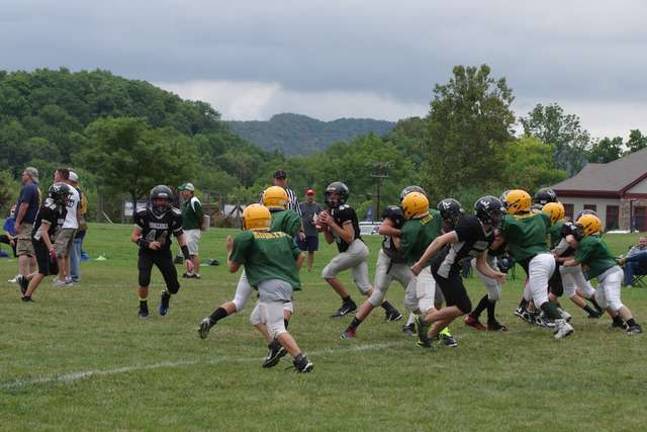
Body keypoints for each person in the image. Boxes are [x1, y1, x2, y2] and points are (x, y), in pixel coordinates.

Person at [197, 186, 302, 368]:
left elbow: (234, 265)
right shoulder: (288, 217)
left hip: (253, 265)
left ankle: (212, 319)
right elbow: (293, 245)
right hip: (276, 268)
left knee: (239, 302)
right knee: (285, 304)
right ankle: (282, 340)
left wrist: (230, 251)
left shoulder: (256, 217)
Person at [226, 204, 313, 372]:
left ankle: (301, 360)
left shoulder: (246, 237)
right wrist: (289, 273)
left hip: (271, 286)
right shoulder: (281, 236)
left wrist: (229, 251)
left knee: (277, 328)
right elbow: (300, 256)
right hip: (285, 283)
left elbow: (232, 268)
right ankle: (276, 348)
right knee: (256, 318)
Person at [411, 196, 507, 348]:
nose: (498, 217)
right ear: (485, 214)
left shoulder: (489, 235)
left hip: (453, 269)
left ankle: (427, 338)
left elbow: (481, 262)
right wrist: (421, 263)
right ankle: (424, 321)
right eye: (495, 214)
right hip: (445, 267)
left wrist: (494, 274)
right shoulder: (471, 225)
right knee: (464, 307)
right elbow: (440, 241)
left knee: (453, 310)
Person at [319, 181, 400, 319]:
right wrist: (325, 227)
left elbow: (349, 237)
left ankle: (348, 302)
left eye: (335, 195)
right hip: (354, 250)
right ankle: (392, 311)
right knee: (365, 287)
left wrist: (331, 223)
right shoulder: (331, 212)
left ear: (343, 196)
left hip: (356, 248)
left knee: (327, 273)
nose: (332, 198)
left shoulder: (344, 210)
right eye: (330, 195)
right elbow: (329, 240)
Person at [500, 189, 574, 339]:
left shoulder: (510, 221)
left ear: (516, 204)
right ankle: (522, 308)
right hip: (548, 257)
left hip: (536, 260)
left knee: (541, 300)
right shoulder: (542, 216)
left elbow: (506, 231)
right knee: (531, 286)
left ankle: (561, 324)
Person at [564, 214, 642, 335]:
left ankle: (634, 325)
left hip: (611, 274)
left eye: (580, 228)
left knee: (613, 301)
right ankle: (617, 320)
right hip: (606, 275)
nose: (578, 231)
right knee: (601, 300)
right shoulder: (591, 239)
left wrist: (561, 262)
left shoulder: (589, 241)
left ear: (589, 228)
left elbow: (576, 261)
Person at [340, 205, 409, 339]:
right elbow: (385, 231)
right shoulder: (396, 215)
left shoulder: (420, 219)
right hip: (388, 260)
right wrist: (401, 233)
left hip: (404, 263)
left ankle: (413, 325)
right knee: (377, 296)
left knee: (418, 294)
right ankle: (351, 327)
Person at [130, 185, 193, 318]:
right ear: (153, 200)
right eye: (158, 200)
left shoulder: (174, 215)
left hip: (163, 253)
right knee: (143, 279)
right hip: (146, 252)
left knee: (174, 287)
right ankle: (143, 307)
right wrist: (148, 244)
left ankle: (165, 296)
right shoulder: (144, 214)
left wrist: (187, 257)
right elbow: (134, 237)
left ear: (169, 201)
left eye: (164, 200)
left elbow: (180, 237)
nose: (161, 203)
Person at [544, 202, 603, 319]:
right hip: (575, 263)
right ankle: (601, 310)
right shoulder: (592, 237)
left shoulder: (567, 227)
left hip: (562, 264)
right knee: (587, 290)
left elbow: (569, 241)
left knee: (568, 291)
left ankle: (594, 311)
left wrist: (558, 256)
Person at [20, 183, 72, 301]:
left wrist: (54, 243)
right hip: (39, 238)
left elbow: (56, 229)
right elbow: (43, 231)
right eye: (65, 196)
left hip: (48, 237)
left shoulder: (62, 209)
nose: (67, 198)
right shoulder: (48, 209)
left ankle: (25, 279)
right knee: (43, 270)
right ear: (57, 196)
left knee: (53, 269)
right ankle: (26, 296)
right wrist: (51, 248)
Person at [52, 168, 80, 287]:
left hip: (63, 224)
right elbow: (78, 210)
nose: (54, 176)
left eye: (55, 174)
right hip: (73, 224)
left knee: (59, 253)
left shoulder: (57, 188)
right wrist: (77, 224)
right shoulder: (76, 191)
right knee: (67, 254)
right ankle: (67, 277)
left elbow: (52, 206)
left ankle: (61, 279)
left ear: (61, 176)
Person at [14, 167, 40, 280]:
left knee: (23, 251)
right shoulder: (35, 188)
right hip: (33, 223)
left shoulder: (28, 188)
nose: (22, 176)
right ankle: (31, 275)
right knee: (31, 251)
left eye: (23, 174)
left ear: (29, 175)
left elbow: (24, 206)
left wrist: (17, 222)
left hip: (26, 223)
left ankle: (22, 276)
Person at [179, 182, 204, 279]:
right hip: (186, 230)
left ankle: (196, 273)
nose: (182, 193)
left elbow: (200, 216)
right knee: (187, 252)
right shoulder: (186, 202)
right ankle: (189, 272)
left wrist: (199, 226)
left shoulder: (194, 201)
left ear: (189, 191)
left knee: (193, 253)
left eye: (184, 191)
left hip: (193, 230)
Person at [68, 171, 87, 283]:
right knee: (77, 251)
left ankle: (74, 275)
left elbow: (78, 210)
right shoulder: (80, 192)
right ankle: (75, 272)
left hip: (76, 223)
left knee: (74, 251)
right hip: (80, 223)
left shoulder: (75, 192)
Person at [298, 189, 322, 272]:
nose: (310, 197)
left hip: (313, 232)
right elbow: (298, 216)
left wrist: (317, 221)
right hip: (302, 232)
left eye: (311, 195)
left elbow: (321, 217)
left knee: (311, 251)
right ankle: (299, 266)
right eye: (308, 195)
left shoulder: (317, 206)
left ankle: (309, 268)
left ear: (314, 196)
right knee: (300, 251)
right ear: (305, 196)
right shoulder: (300, 205)